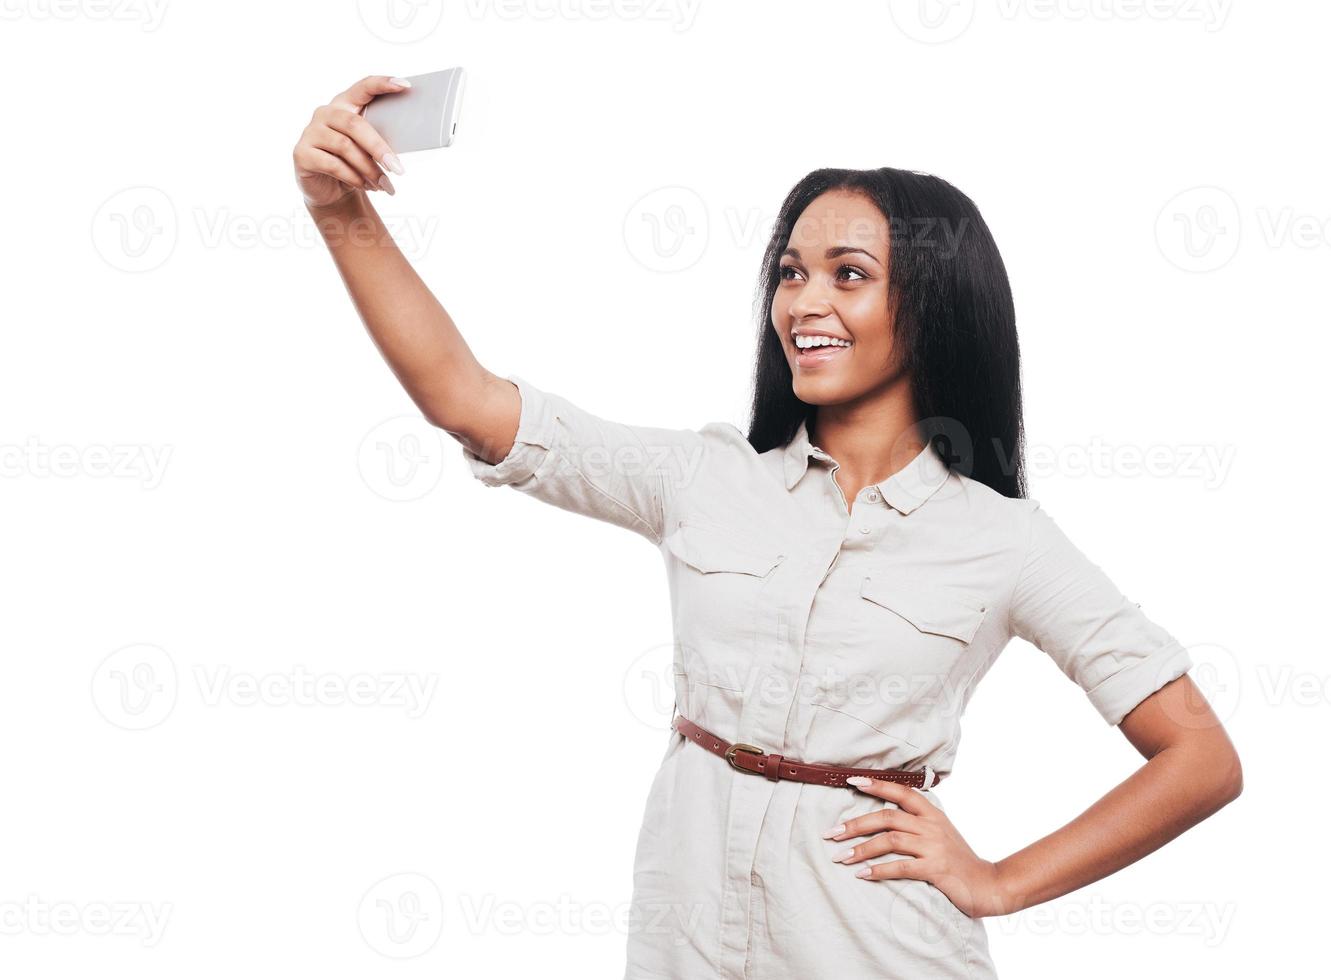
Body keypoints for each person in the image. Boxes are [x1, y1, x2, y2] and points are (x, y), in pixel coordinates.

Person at [294, 75, 1244, 979]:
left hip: (877, 948)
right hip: (686, 934)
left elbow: (1200, 758)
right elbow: (468, 401)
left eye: (848, 273)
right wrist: (341, 211)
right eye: (791, 272)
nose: (804, 303)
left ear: (935, 304)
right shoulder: (705, 479)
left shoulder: (1004, 541)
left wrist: (998, 880)